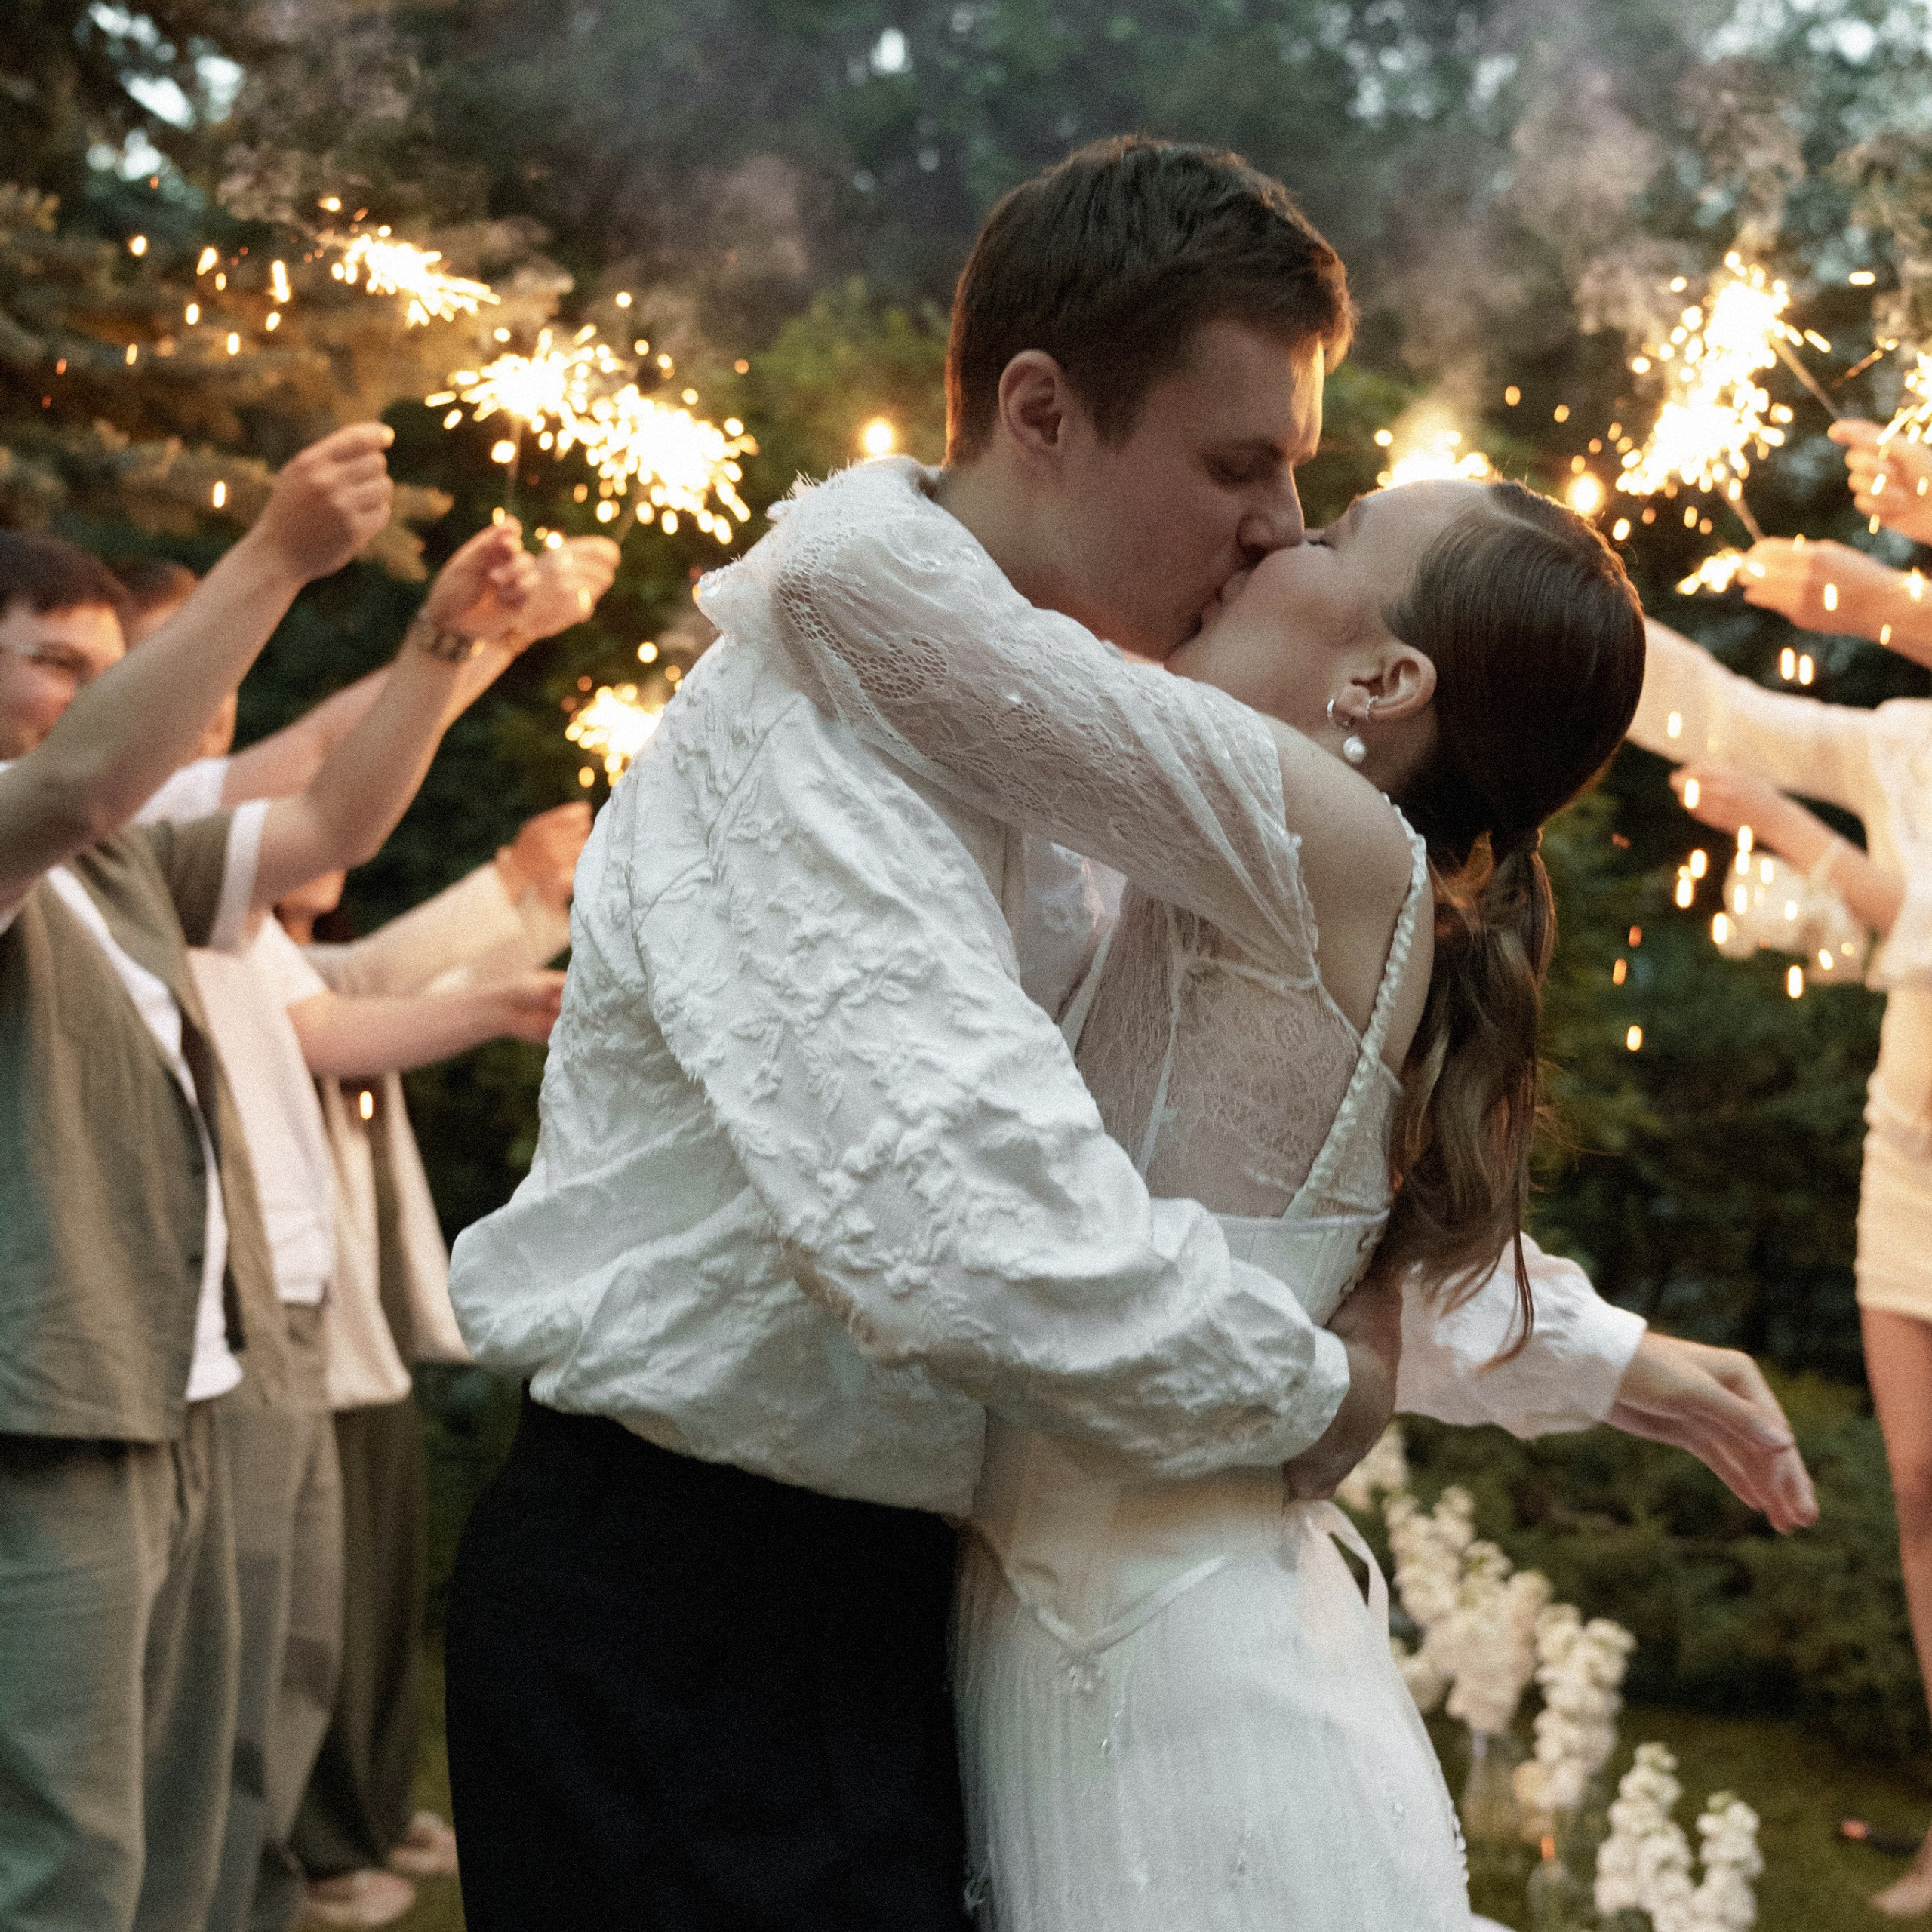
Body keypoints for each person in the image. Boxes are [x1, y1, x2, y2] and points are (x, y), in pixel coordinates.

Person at [442, 138, 1809, 1932]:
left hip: (904, 1609)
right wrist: (1321, 1389)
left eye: (1303, 488)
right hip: (691, 1617)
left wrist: (1586, 1349)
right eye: (1239, 465)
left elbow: (1199, 1178)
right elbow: (974, 1232)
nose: (1268, 526)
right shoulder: (810, 728)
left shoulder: (1118, 768)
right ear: (1039, 408)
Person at [0, 422, 536, 1932]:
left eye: (102, 661)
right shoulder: (39, 828)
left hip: (178, 1395)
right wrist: (279, 554)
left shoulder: (118, 869)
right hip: (44, 1416)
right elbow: (84, 778)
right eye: (56, 658)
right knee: (61, 1857)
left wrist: (440, 640)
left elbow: (330, 823)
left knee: (171, 1834)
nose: (89, 694)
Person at [115, 547, 610, 1932]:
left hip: (287, 1310)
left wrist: (507, 1003)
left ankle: (264, 1885)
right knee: (184, 1705)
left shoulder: (191, 881)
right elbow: (325, 808)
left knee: (280, 1660)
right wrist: (450, 636)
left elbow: (331, 1011)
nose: (213, 724)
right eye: (186, 686)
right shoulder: (115, 840)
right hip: (188, 1331)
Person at [1641, 421, 1932, 1916]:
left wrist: (1874, 598)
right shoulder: (1899, 744)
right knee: (1918, 1480)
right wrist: (1552, 592)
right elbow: (1720, 712)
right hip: (1909, 1151)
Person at [283, 809, 586, 1930]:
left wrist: (524, 918)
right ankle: (323, 1840)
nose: (329, 846)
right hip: (297, 1337)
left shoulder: (287, 959)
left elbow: (391, 984)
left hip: (363, 1329)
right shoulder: (229, 952)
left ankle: (365, 1807)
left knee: (383, 1589)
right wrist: (511, 885)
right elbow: (366, 993)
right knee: (323, 1606)